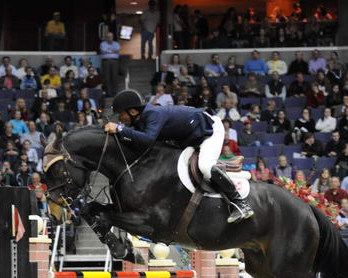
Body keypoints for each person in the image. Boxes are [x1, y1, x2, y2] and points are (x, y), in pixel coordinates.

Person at [105, 89, 253, 223]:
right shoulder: (140, 121)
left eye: (121, 113)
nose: (119, 117)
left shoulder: (152, 114)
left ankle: (240, 203)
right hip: (190, 136)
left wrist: (119, 128)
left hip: (209, 129)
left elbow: (148, 140)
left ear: (132, 111)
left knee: (205, 166)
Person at [100, 32, 120, 97]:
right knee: (106, 78)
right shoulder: (102, 44)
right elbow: (103, 51)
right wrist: (112, 50)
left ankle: (114, 92)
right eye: (108, 36)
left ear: (112, 37)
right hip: (106, 62)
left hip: (114, 62)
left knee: (114, 77)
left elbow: (117, 50)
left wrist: (108, 50)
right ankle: (108, 93)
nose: (109, 38)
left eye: (111, 36)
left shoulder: (116, 43)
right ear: (106, 37)